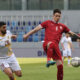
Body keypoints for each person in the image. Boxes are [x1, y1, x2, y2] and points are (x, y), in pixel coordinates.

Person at [23, 9, 80, 80]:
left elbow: (72, 33)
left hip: (55, 48)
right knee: (51, 43)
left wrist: (79, 37)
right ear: (53, 16)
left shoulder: (62, 26)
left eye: (59, 16)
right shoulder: (47, 23)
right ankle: (48, 60)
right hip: (47, 44)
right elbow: (36, 29)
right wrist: (27, 35)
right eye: (56, 16)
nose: (58, 17)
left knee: (60, 66)